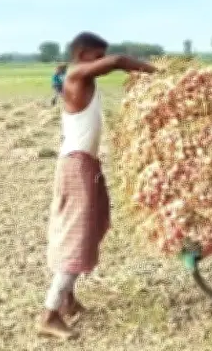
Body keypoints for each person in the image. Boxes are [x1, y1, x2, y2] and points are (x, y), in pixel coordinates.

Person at [37, 31, 159, 340]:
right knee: (77, 235)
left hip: (83, 163)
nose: (102, 62)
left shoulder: (79, 77)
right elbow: (118, 61)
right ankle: (49, 313)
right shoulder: (77, 74)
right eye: (98, 56)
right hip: (77, 165)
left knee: (87, 230)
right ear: (83, 54)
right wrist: (159, 74)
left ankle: (67, 299)